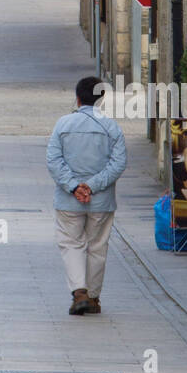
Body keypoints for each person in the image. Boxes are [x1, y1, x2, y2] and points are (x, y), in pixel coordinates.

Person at [46, 77, 127, 315]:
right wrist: (92, 186)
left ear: (78, 98)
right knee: (97, 246)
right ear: (102, 99)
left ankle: (79, 292)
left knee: (71, 243)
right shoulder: (111, 127)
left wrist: (74, 186)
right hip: (101, 201)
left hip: (68, 199)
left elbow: (53, 160)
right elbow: (118, 162)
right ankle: (92, 297)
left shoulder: (63, 124)